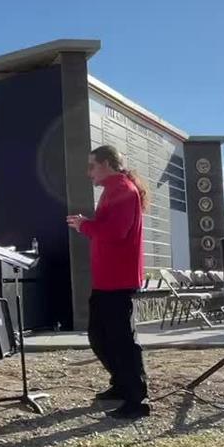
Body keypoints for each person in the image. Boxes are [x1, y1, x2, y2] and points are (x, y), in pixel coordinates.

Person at [67, 144, 150, 420]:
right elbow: (110, 229)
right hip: (107, 278)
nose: (89, 172)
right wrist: (88, 224)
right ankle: (120, 384)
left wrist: (84, 226)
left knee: (120, 339)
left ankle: (136, 398)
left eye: (92, 166)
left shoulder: (123, 190)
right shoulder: (113, 190)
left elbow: (116, 232)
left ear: (107, 164)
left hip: (118, 279)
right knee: (100, 336)